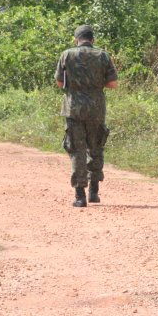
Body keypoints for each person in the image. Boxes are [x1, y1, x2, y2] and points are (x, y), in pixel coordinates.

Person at [55, 25, 118, 207]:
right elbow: (113, 84)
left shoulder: (66, 55)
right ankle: (94, 192)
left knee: (77, 150)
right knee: (95, 147)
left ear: (76, 39)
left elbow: (60, 83)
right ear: (93, 39)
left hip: (74, 108)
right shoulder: (103, 55)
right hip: (96, 109)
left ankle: (80, 196)